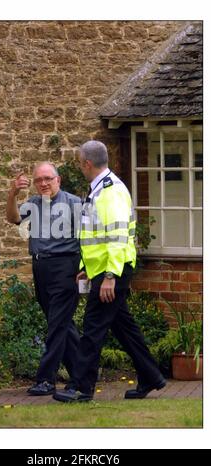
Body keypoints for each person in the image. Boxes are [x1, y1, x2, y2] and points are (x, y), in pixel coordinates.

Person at [53, 140, 166, 402]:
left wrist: (109, 277)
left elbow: (116, 237)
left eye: (80, 163)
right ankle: (151, 376)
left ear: (87, 164)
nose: (80, 168)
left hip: (112, 270)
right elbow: (96, 236)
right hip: (106, 269)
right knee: (123, 327)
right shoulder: (101, 190)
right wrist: (86, 268)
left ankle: (81, 388)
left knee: (92, 329)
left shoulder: (110, 191)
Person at [6, 162, 81, 396]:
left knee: (58, 324)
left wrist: (86, 268)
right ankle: (83, 373)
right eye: (38, 180)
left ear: (58, 179)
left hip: (66, 266)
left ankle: (46, 379)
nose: (43, 183)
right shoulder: (34, 204)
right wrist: (13, 193)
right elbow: (13, 218)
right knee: (60, 323)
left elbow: (89, 239)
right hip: (40, 266)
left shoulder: (74, 203)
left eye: (48, 178)